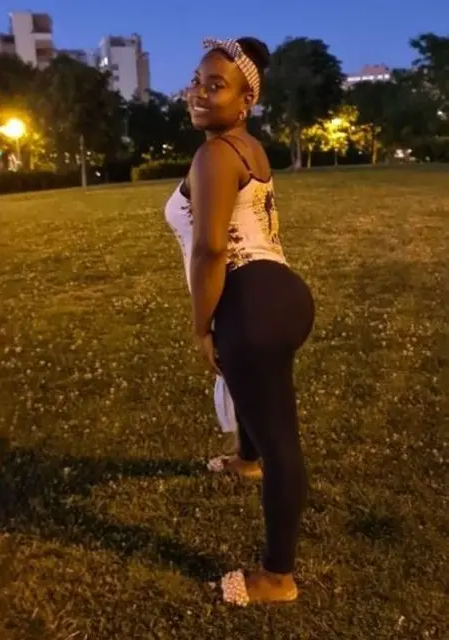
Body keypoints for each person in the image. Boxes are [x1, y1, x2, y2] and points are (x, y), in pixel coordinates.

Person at [165, 36, 315, 606]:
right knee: (256, 389)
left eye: (216, 86)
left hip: (250, 301)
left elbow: (210, 250)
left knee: (282, 441)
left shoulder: (213, 155)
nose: (199, 94)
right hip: (283, 293)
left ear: (246, 100)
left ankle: (277, 577)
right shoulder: (248, 148)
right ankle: (245, 461)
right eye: (197, 82)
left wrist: (202, 326)